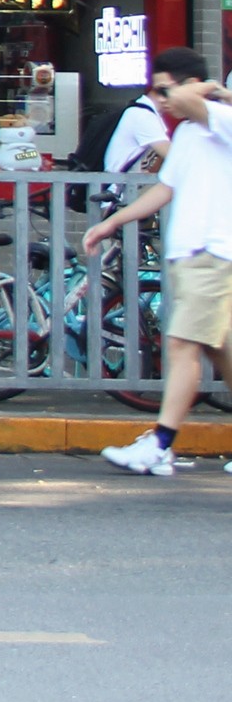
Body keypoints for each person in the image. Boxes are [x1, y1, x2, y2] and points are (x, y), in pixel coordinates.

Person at [88, 50, 232, 475]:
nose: (159, 99)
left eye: (164, 89)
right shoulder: (188, 132)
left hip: (213, 253)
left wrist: (203, 88)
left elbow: (192, 101)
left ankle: (161, 443)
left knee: (181, 345)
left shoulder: (221, 120)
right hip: (188, 255)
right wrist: (111, 222)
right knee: (221, 351)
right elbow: (164, 188)